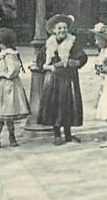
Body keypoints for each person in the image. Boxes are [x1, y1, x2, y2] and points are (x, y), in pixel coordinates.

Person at [36, 13, 88, 145]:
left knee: (69, 105)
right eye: (59, 28)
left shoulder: (72, 42)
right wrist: (49, 67)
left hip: (69, 79)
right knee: (55, 104)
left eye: (64, 28)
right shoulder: (49, 45)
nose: (62, 31)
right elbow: (40, 62)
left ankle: (69, 134)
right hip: (53, 81)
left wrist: (75, 62)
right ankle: (57, 134)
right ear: (54, 30)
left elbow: (82, 57)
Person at [0, 28, 29, 148]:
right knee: (3, 113)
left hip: (8, 87)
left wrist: (1, 75)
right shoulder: (5, 54)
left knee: (7, 112)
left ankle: (9, 137)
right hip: (1, 87)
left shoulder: (9, 55)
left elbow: (12, 71)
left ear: (0, 42)